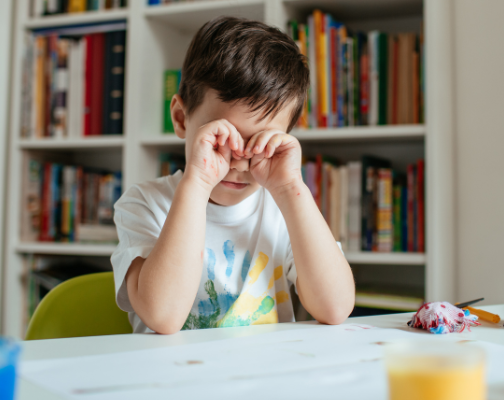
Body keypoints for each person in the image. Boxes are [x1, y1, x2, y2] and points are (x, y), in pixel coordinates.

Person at [110, 16, 355, 334]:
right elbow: (163, 316)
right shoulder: (144, 204)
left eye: (259, 144)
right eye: (221, 139)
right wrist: (198, 184)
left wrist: (291, 188)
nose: (239, 163)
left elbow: (335, 308)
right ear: (181, 119)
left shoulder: (283, 209)